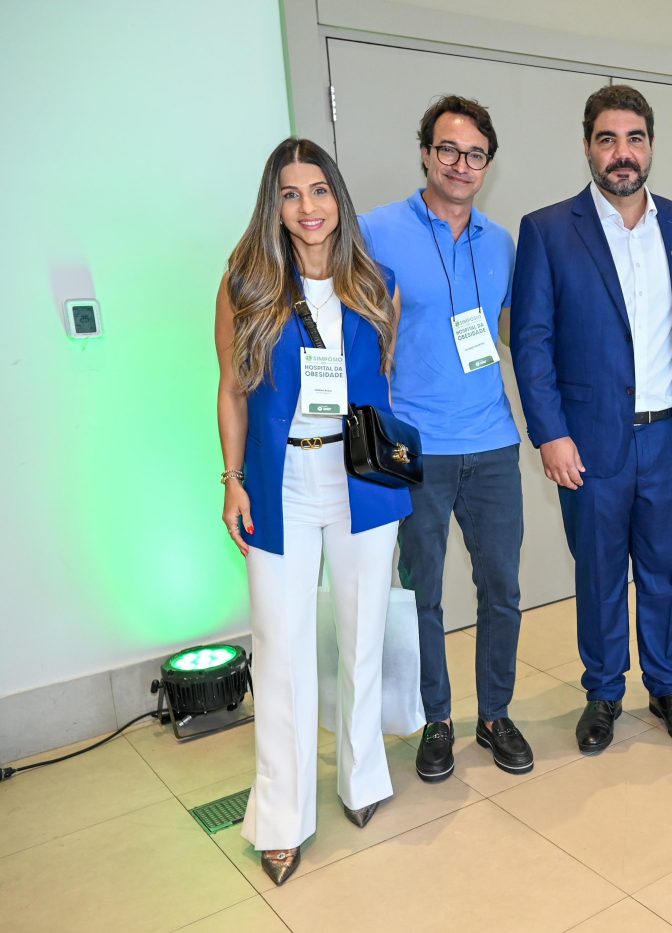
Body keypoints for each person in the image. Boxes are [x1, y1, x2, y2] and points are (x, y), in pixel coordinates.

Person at [215, 138, 411, 885]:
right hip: (280, 475)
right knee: (283, 648)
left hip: (360, 472)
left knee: (363, 634)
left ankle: (363, 779)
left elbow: (382, 380)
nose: (308, 207)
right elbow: (233, 390)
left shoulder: (375, 281)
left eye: (320, 190)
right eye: (291, 193)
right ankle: (281, 816)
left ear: (339, 197)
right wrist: (232, 480)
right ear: (275, 204)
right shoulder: (245, 285)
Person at [510, 85, 672, 754]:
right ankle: (603, 691)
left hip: (667, 432)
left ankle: (668, 684)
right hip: (588, 441)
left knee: (664, 566)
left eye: (634, 139)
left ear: (651, 145)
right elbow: (532, 340)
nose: (622, 153)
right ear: (588, 145)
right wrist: (550, 433)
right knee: (597, 570)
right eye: (608, 139)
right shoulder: (546, 229)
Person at [360, 95, 533, 781]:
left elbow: (516, 338)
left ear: (488, 163)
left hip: (491, 443)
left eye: (475, 154)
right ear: (426, 153)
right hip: (416, 445)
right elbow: (362, 339)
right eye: (448, 150)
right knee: (422, 592)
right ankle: (438, 718)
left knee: (502, 589)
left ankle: (496, 713)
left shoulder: (501, 243)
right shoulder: (377, 230)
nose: (461, 164)